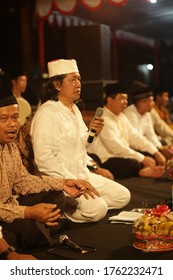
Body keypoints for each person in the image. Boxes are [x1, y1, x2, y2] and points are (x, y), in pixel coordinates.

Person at [30, 59, 131, 223]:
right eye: (73, 80)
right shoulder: (47, 113)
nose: (78, 84)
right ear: (57, 85)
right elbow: (44, 160)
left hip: (83, 174)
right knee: (98, 209)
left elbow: (84, 145)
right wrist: (73, 180)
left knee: (123, 196)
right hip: (61, 181)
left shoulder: (74, 108)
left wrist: (93, 132)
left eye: (79, 79)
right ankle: (62, 214)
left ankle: (84, 205)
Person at [0, 87, 87, 249]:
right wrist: (29, 212)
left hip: (13, 206)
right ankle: (42, 228)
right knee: (29, 231)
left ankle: (42, 227)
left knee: (56, 196)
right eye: (4, 119)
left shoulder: (10, 146)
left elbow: (23, 181)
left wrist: (61, 183)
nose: (12, 125)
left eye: (15, 117)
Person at [87, 82, 165, 179]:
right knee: (133, 163)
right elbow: (115, 147)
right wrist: (143, 159)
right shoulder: (103, 118)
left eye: (126, 99)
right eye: (122, 99)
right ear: (110, 100)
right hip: (106, 159)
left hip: (122, 155)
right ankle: (141, 170)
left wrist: (155, 152)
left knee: (149, 155)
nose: (126, 102)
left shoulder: (121, 116)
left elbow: (134, 137)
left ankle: (142, 168)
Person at [125, 81, 173, 161]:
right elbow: (135, 140)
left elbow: (151, 135)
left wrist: (160, 147)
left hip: (143, 146)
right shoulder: (130, 114)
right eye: (150, 101)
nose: (153, 104)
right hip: (132, 148)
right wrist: (157, 150)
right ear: (141, 103)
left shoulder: (146, 114)